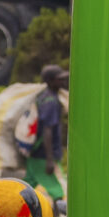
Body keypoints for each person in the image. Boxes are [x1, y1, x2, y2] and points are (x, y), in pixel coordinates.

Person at [24, 64, 68, 205]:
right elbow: (47, 130)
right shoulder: (51, 102)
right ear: (49, 81)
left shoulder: (43, 97)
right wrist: (50, 159)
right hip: (44, 155)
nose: (63, 82)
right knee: (59, 192)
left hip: (34, 154)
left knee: (24, 190)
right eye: (59, 79)